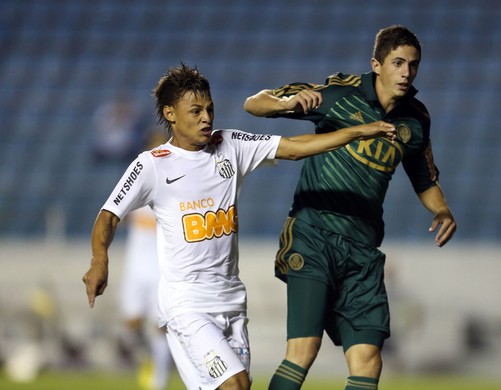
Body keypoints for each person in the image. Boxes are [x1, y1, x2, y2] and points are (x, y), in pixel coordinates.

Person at [82, 62, 395, 390]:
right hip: (187, 304)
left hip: (231, 301)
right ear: (170, 114)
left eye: (209, 108)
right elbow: (108, 215)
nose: (207, 117)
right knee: (236, 384)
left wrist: (358, 132)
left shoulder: (230, 145)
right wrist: (99, 259)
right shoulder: (152, 165)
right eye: (195, 111)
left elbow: (295, 148)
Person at [243, 25, 457, 389]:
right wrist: (286, 103)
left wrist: (442, 210)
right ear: (377, 64)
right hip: (314, 235)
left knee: (369, 361)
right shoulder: (338, 95)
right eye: (398, 63)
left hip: (362, 249)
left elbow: (424, 180)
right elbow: (254, 103)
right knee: (303, 349)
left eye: (413, 65)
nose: (406, 72)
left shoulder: (416, 120)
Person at [117, 130, 172, 390]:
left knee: (160, 325)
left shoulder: (174, 182)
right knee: (132, 323)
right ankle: (146, 358)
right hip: (136, 265)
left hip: (161, 266)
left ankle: (158, 380)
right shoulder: (136, 177)